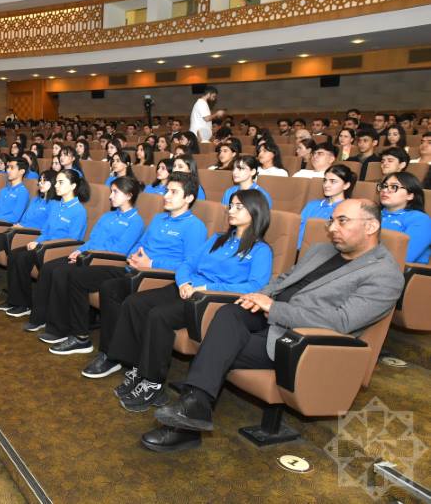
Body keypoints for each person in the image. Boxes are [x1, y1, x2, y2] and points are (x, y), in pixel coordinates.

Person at [143, 199, 404, 453]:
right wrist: (258, 296)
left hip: (297, 339)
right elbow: (282, 281)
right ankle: (194, 410)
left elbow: (341, 322)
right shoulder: (321, 251)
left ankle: (187, 424)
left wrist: (274, 308)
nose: (332, 228)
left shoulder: (385, 275)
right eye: (331, 221)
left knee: (218, 345)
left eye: (342, 221)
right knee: (229, 312)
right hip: (268, 314)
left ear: (371, 226)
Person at [107, 189, 272, 414]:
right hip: (187, 288)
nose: (231, 210)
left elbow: (254, 287)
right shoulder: (218, 239)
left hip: (209, 300)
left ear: (255, 212)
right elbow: (187, 263)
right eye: (231, 205)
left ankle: (153, 383)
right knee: (135, 303)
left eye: (238, 207)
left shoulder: (261, 250)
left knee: (159, 316)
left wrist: (205, 288)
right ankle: (138, 367)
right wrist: (184, 282)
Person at [73, 173, 208, 377]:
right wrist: (134, 255)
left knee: (112, 289)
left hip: (160, 276)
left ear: (189, 198)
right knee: (97, 282)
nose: (166, 196)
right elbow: (141, 243)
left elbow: (188, 265)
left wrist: (151, 263)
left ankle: (113, 356)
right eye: (166, 191)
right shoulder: (159, 218)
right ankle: (105, 350)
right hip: (136, 269)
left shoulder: (195, 227)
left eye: (174, 192)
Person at [24, 176, 145, 352]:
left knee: (63, 273)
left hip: (105, 262)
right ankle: (50, 322)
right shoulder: (108, 216)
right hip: (88, 256)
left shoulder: (135, 221)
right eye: (111, 191)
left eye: (115, 192)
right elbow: (91, 240)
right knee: (50, 267)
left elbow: (119, 250)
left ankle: (63, 329)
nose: (110, 196)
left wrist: (87, 255)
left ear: (129, 195)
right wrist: (79, 251)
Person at [0, 170, 90, 317]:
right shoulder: (56, 206)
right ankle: (16, 300)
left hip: (58, 249)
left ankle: (24, 305)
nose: (56, 185)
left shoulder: (79, 211)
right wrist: (37, 241)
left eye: (61, 182)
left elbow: (73, 240)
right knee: (15, 255)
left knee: (22, 258)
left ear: (73, 186)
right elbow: (46, 230)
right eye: (56, 182)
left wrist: (44, 245)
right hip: (44, 246)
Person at [0, 170, 58, 297]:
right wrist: (19, 225)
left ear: (53, 183)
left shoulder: (54, 204)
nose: (40, 183)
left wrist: (23, 226)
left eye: (44, 181)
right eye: (40, 180)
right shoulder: (35, 200)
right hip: (17, 231)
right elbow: (24, 218)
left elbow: (46, 227)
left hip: (29, 235)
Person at [297, 164, 356, 248]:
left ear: (346, 185)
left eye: (333, 181)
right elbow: (298, 231)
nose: (326, 185)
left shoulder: (350, 210)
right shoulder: (312, 205)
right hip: (299, 250)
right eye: (325, 180)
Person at [378, 172, 431, 263]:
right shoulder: (372, 213)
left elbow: (403, 256)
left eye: (394, 187)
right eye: (384, 186)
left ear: (410, 195)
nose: (385, 190)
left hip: (396, 269)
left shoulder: (420, 219)